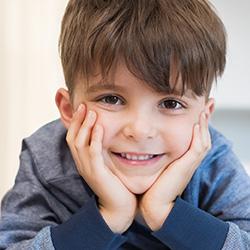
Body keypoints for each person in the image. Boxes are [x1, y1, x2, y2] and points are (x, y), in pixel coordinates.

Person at [0, 0, 250, 249]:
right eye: (111, 99)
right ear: (69, 110)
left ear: (203, 117)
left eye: (171, 104)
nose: (140, 131)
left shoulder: (213, 162)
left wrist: (164, 212)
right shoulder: (47, 159)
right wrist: (109, 216)